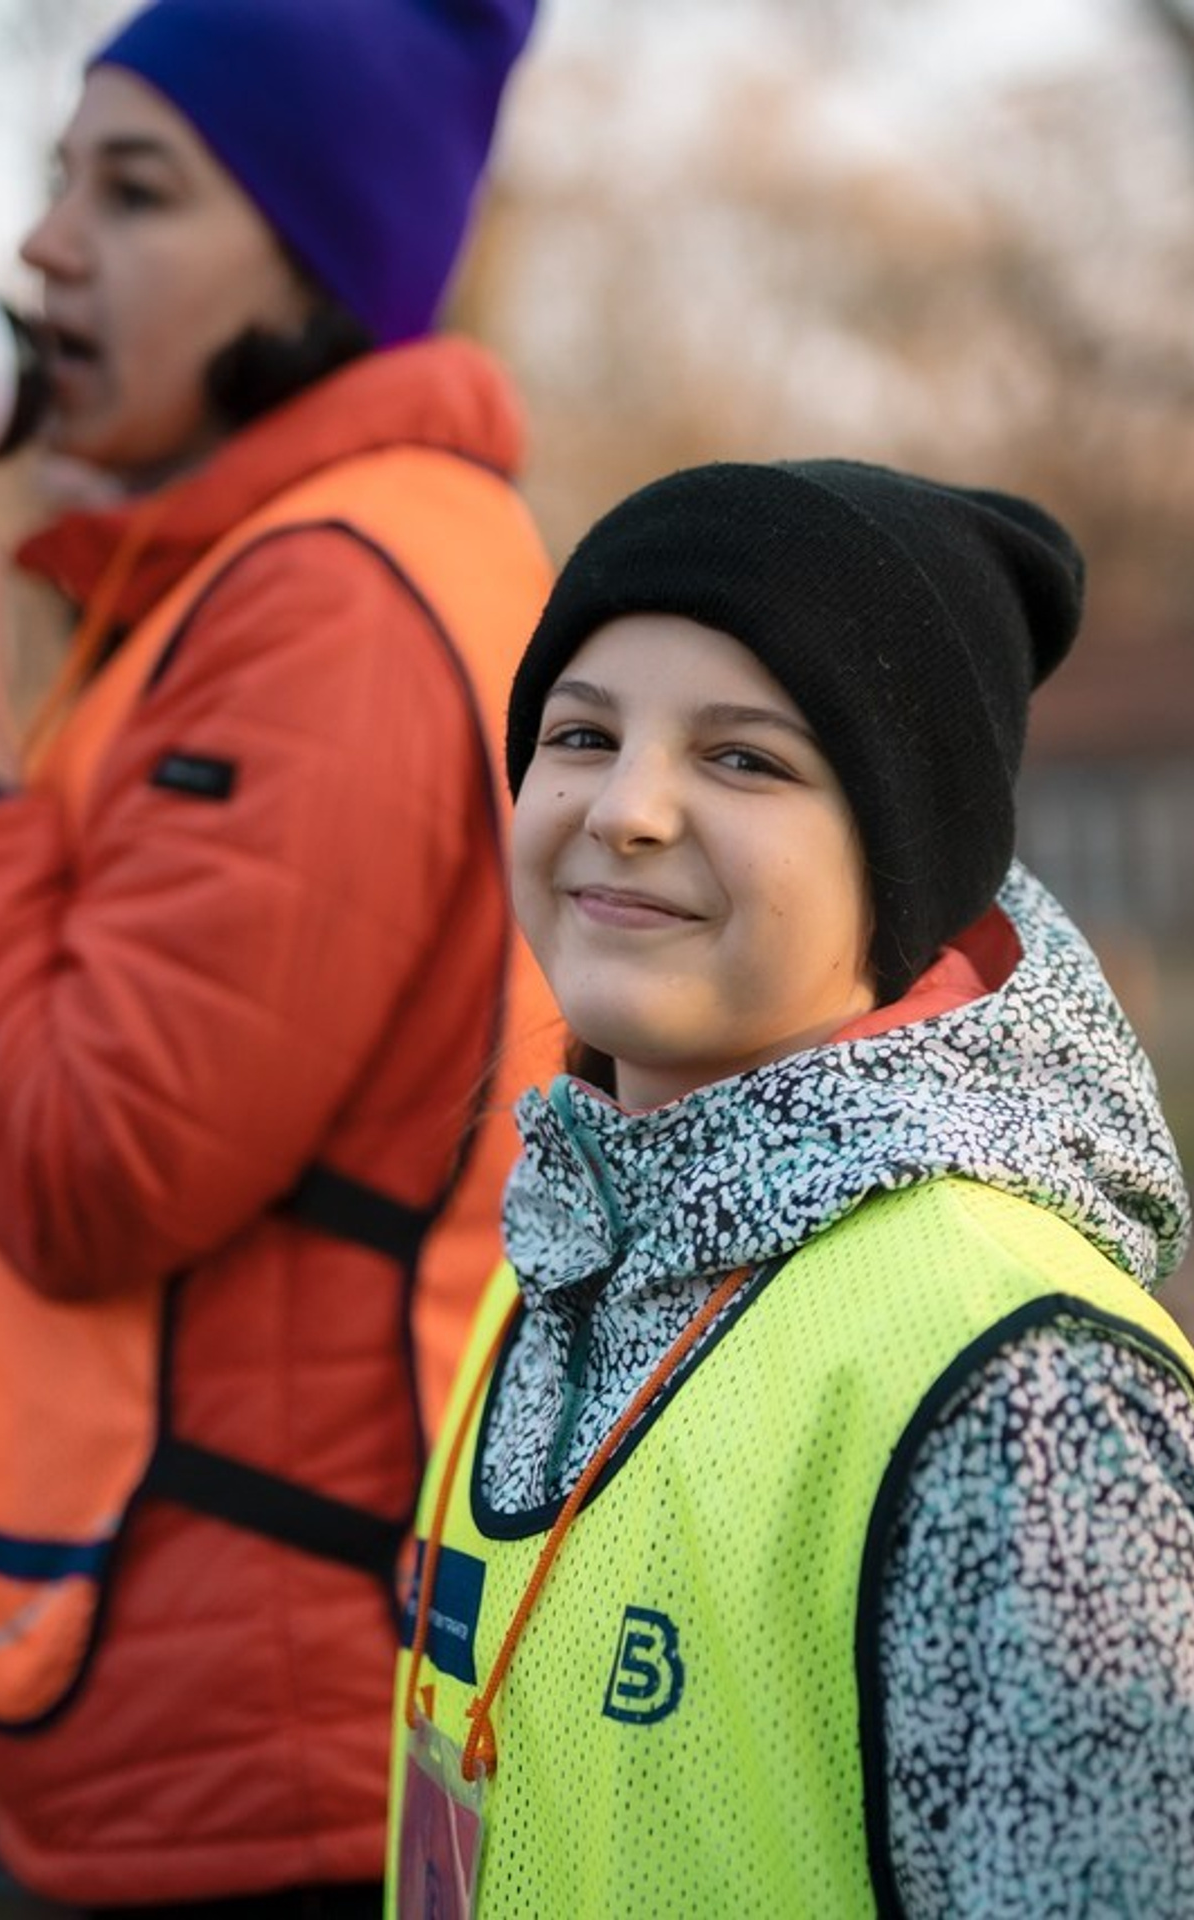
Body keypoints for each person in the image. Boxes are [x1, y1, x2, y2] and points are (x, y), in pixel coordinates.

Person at [0, 0, 557, 1910]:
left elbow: (93, 1165)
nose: (43, 247)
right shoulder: (207, 591)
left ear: (317, 256)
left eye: (135, 190)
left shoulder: (338, 601)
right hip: (130, 1696)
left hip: (268, 1755)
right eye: (57, 181)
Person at [389, 459, 1194, 1917]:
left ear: (902, 860)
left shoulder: (1027, 1386)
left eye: (746, 758)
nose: (626, 807)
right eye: (581, 733)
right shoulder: (561, 1262)